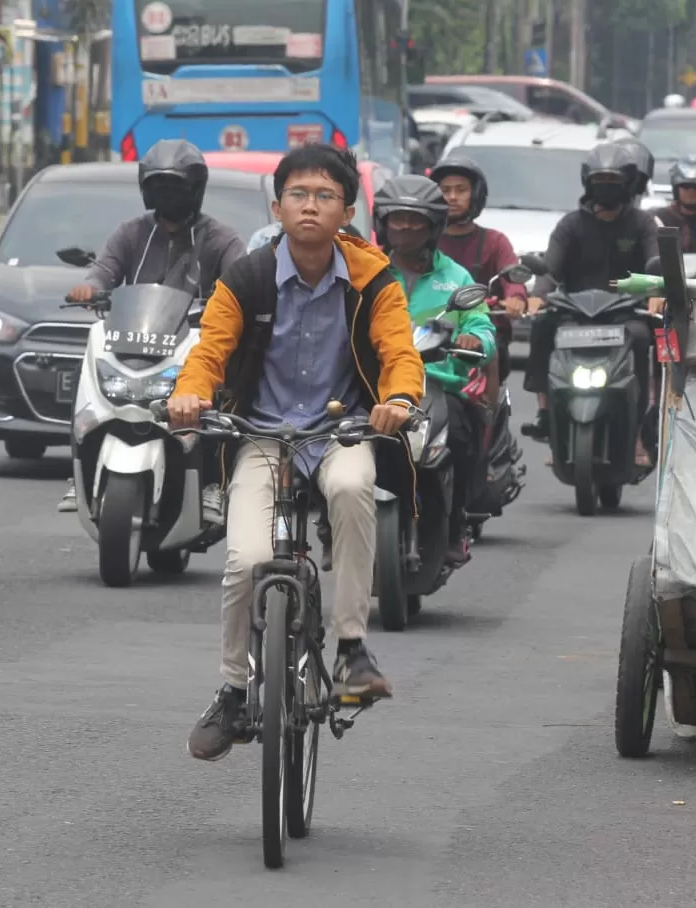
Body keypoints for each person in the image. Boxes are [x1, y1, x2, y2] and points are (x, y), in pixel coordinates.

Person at [167, 144, 424, 762]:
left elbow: (399, 353)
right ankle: (232, 690)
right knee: (247, 559)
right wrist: (190, 395)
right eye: (299, 196)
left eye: (326, 196)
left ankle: (352, 649)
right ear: (278, 206)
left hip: (341, 433)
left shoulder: (374, 280)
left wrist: (398, 399)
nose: (311, 206)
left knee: (350, 487)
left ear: (347, 209)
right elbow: (209, 351)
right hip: (261, 435)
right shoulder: (248, 276)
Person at [58, 139, 246, 515]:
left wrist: (230, 303)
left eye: (175, 186)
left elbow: (240, 282)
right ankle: (80, 467)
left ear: (195, 189)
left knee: (222, 401)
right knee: (88, 387)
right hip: (134, 338)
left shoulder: (221, 239)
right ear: (146, 189)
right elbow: (104, 272)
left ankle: (214, 482)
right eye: (159, 186)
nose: (167, 194)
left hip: (195, 342)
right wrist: (91, 289)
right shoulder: (131, 233)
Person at [375, 174, 497, 565]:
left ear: (434, 227)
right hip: (375, 385)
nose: (407, 227)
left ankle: (457, 522)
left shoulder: (456, 279)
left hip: (438, 385)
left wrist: (474, 341)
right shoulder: (369, 272)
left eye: (417, 220)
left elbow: (480, 323)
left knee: (462, 435)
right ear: (384, 223)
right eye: (398, 219)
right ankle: (330, 524)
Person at [520, 143, 660, 464]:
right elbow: (550, 268)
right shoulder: (570, 225)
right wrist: (538, 296)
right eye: (600, 181)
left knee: (640, 337)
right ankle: (547, 414)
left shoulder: (643, 224)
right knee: (543, 327)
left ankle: (638, 431)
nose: (606, 189)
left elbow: (656, 261)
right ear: (587, 183)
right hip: (575, 312)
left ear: (629, 184)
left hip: (627, 313)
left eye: (614, 182)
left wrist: (656, 291)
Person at [429, 155, 527, 400]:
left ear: (476, 194)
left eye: (460, 190)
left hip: (481, 334)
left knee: (489, 356)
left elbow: (512, 276)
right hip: (427, 331)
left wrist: (515, 298)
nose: (452, 197)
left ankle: (486, 425)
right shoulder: (425, 240)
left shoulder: (494, 241)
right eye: (445, 190)